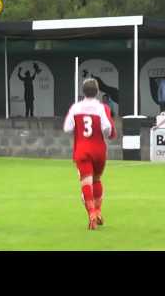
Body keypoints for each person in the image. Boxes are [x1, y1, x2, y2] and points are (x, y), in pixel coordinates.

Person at [63, 78, 117, 230]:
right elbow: (107, 129)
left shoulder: (76, 107)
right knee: (97, 180)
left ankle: (92, 214)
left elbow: (67, 128)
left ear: (83, 91)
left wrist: (78, 128)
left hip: (82, 149)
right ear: (97, 91)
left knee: (86, 183)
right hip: (99, 150)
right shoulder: (100, 108)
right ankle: (98, 211)